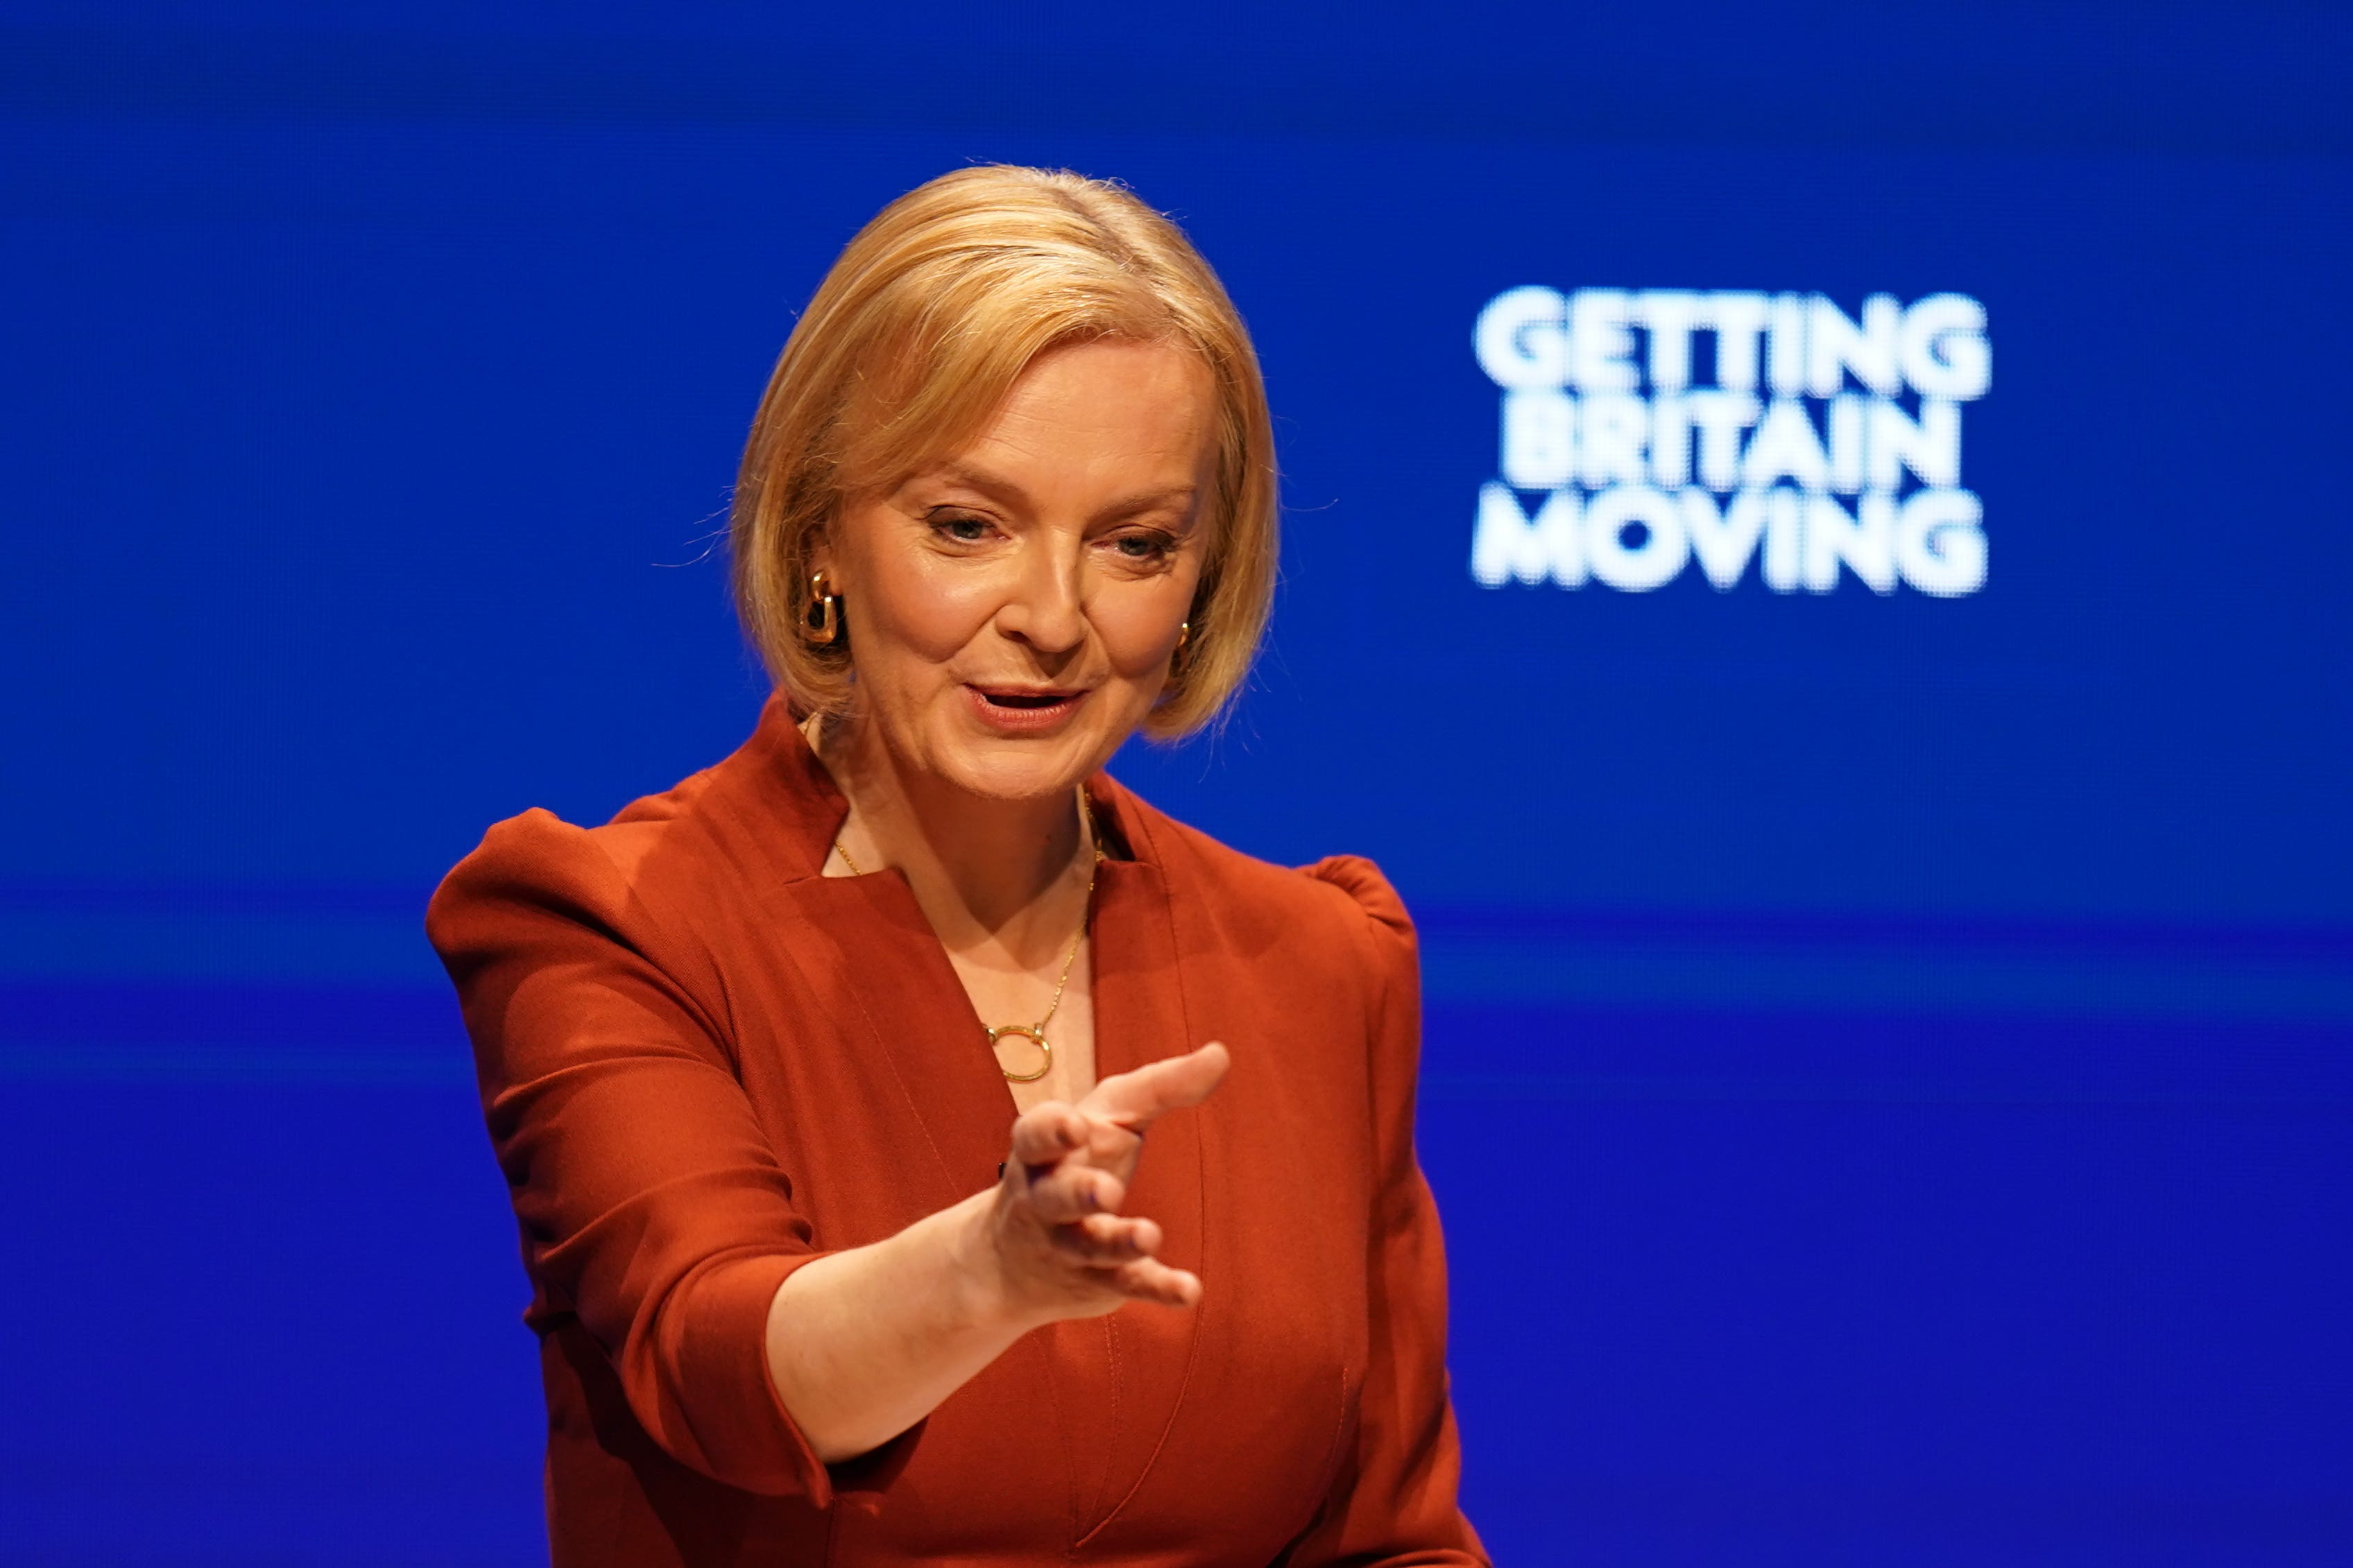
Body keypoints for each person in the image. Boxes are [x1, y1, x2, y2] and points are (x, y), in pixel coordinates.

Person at [427, 164, 1485, 1568]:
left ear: (1202, 584)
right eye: (966, 526)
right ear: (822, 538)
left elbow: (1388, 1541)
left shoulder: (1317, 963)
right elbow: (716, 1360)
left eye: (1134, 543)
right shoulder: (612, 923)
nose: (1050, 618)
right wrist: (989, 1274)